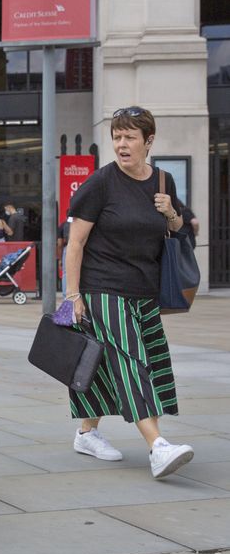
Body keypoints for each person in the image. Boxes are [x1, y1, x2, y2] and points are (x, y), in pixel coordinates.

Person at [64, 105, 194, 479]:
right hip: (103, 288)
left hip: (145, 291)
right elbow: (75, 244)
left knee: (118, 364)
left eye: (129, 138)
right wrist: (73, 296)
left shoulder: (164, 182)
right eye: (117, 137)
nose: (121, 145)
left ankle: (86, 433)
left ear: (148, 142)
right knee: (130, 361)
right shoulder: (100, 183)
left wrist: (171, 212)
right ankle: (158, 446)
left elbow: (180, 227)